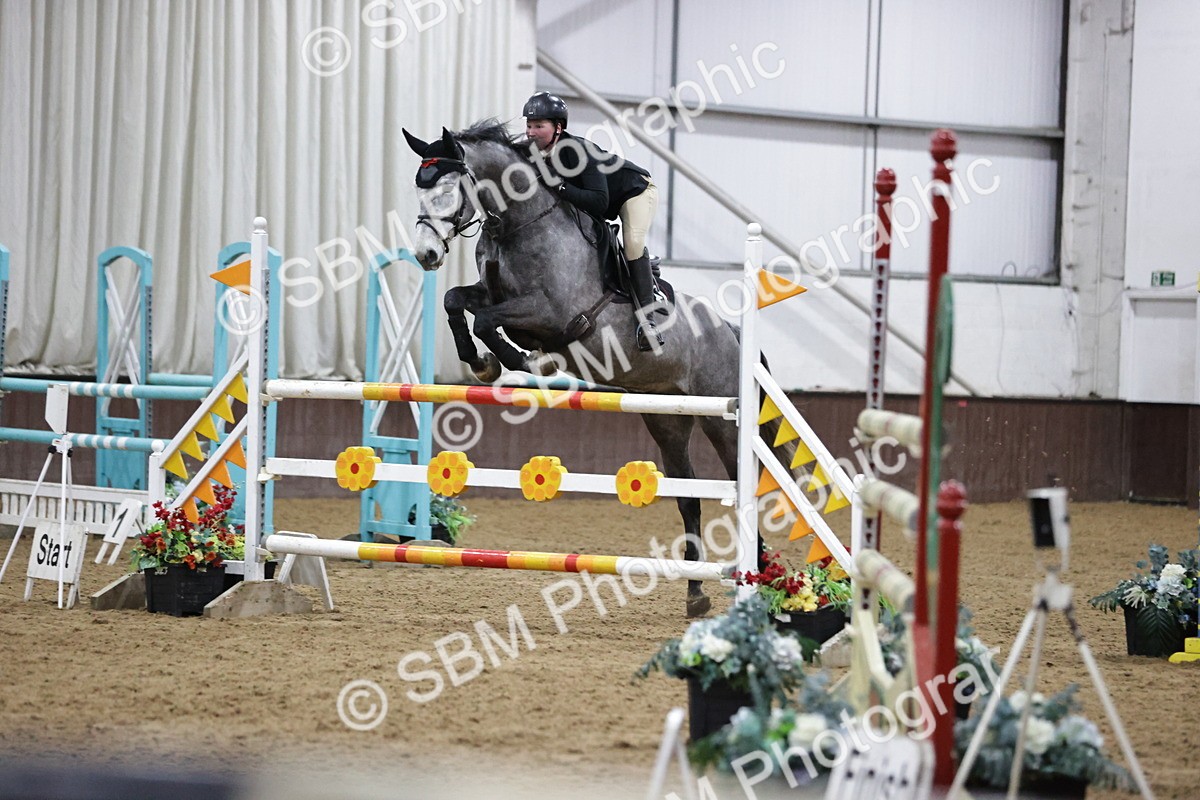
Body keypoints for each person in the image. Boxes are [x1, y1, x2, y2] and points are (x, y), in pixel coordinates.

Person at [522, 91, 664, 351]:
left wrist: (561, 187)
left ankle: (648, 322)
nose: (531, 132)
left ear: (558, 128)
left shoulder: (577, 150)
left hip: (634, 192)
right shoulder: (532, 152)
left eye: (539, 126)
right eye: (529, 125)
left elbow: (599, 201)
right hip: (599, 203)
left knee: (632, 243)